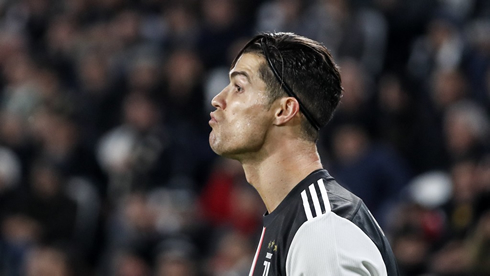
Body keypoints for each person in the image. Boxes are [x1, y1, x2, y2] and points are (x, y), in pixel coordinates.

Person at [208, 32, 399, 275]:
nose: (217, 99)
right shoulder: (294, 220)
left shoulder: (322, 233)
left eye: (238, 87)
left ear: (284, 110)